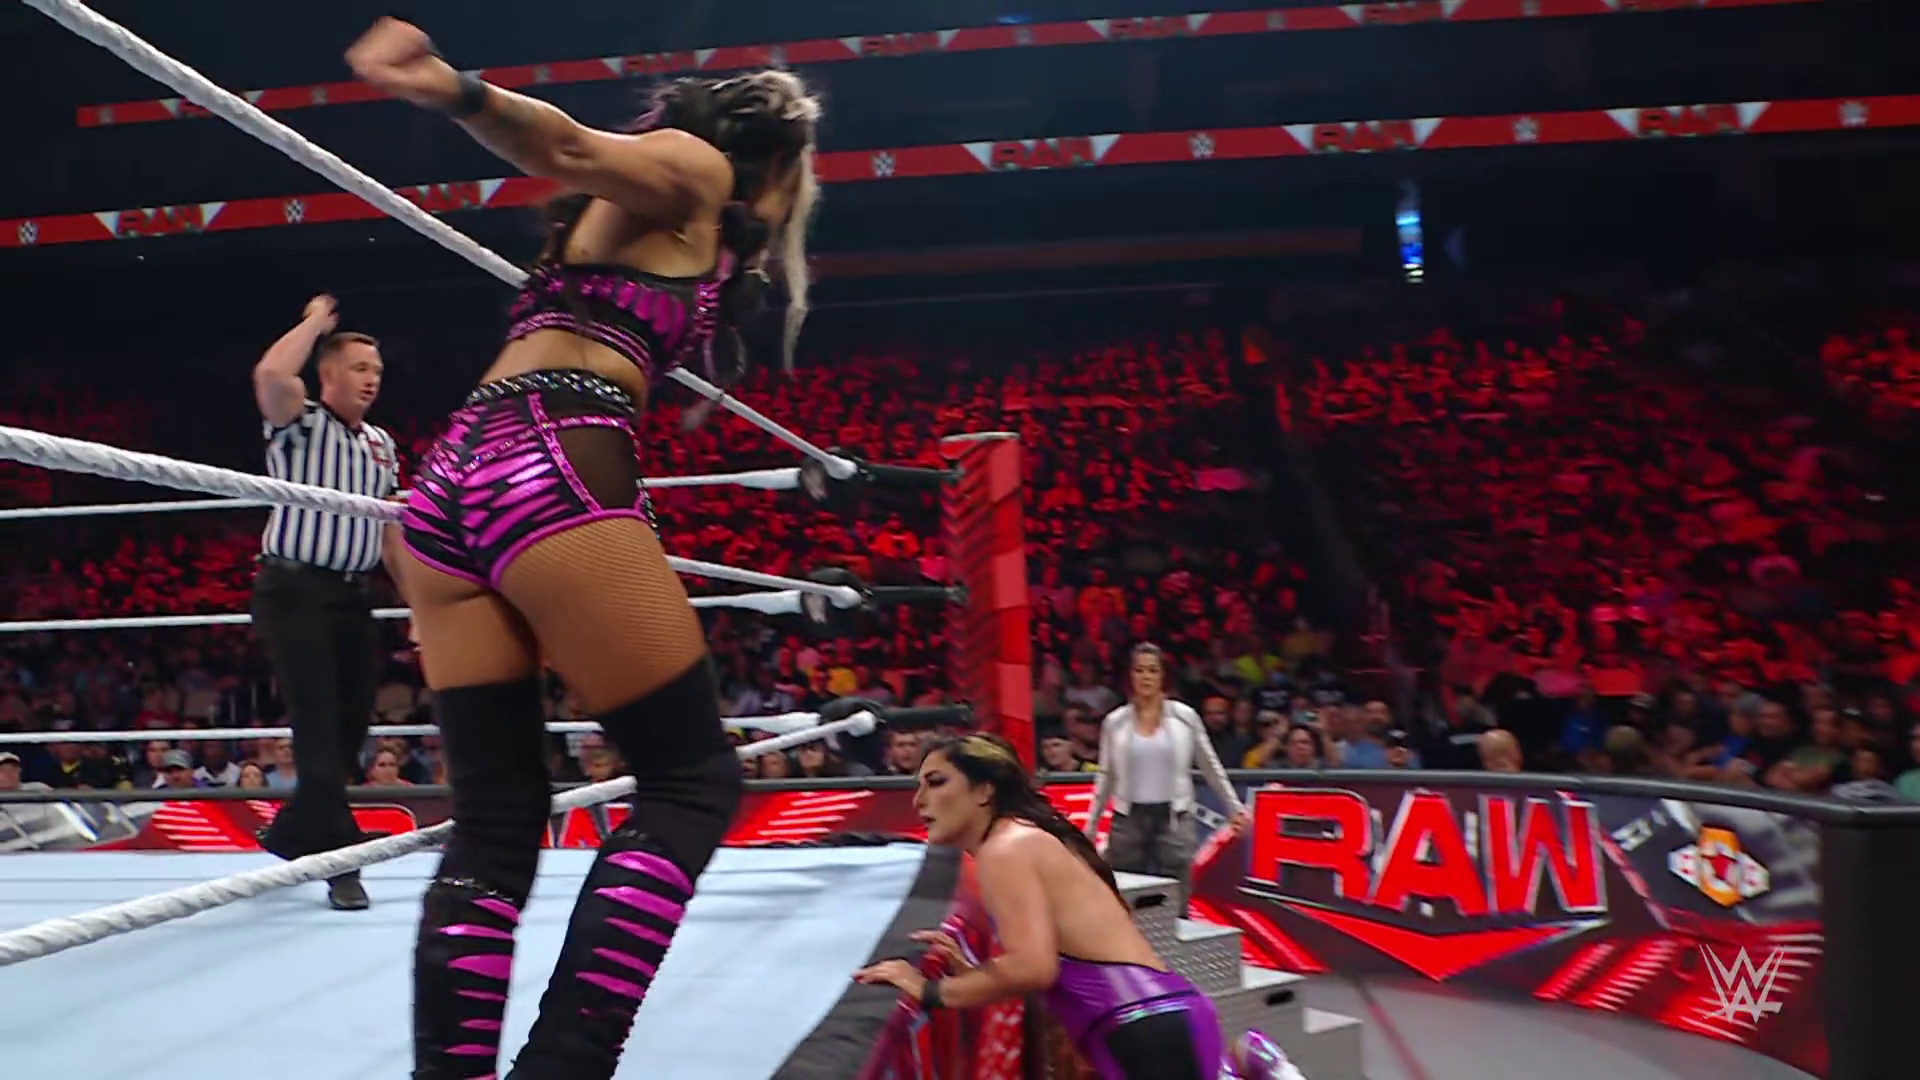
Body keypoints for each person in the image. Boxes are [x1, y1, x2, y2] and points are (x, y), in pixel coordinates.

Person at [344, 17, 820, 1080]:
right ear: (780, 163)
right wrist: (452, 89)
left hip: (451, 481)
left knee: (498, 817)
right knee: (690, 779)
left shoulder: (656, 217)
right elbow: (563, 144)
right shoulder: (693, 169)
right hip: (547, 457)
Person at [854, 734, 1299, 1080]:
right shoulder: (1019, 842)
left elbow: (1033, 968)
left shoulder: (1005, 848)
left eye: (936, 782)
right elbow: (1056, 965)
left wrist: (930, 990)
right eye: (918, 785)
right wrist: (971, 975)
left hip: (1139, 1027)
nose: (919, 800)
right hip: (1151, 1022)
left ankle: (1251, 1065)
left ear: (984, 790)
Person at [250, 292, 398, 913]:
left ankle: (292, 833)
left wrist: (419, 609)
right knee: (316, 723)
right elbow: (270, 374)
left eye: (377, 370)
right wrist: (313, 323)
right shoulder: (302, 423)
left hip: (351, 594)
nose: (371, 379)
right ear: (328, 374)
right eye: (359, 368)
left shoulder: (382, 445)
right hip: (294, 590)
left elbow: (391, 530)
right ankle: (340, 859)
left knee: (352, 723)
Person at [1084, 643, 1247, 911]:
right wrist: (1091, 825)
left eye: (1152, 670)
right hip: (1128, 820)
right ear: (1130, 676)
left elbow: (1209, 765)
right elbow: (1106, 775)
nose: (1146, 677)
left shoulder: (1185, 717)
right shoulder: (1115, 722)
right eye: (1139, 670)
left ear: (1163, 676)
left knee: (1177, 901)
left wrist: (1234, 807)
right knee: (1123, 900)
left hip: (1174, 819)